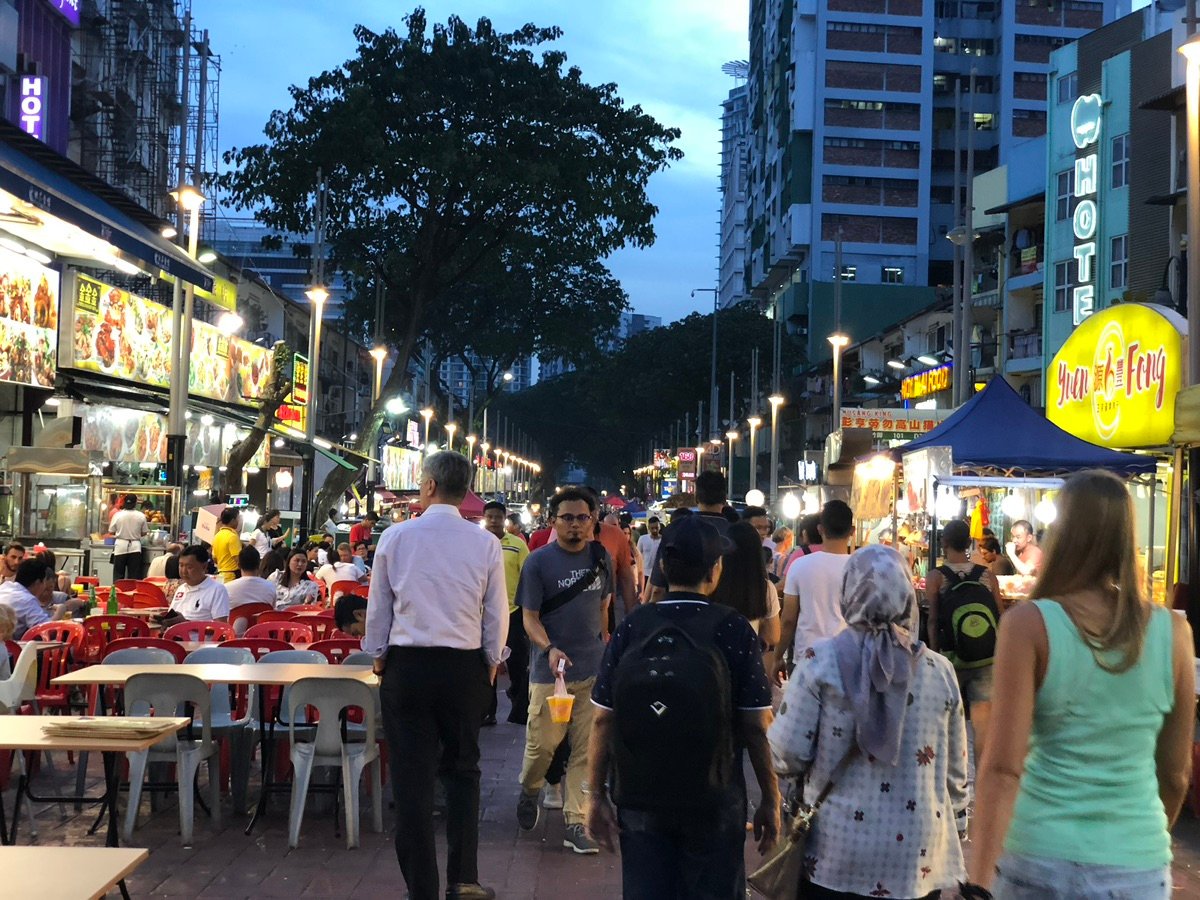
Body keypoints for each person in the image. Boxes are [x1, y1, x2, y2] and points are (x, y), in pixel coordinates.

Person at [967, 470, 1194, 899]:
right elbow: (1176, 773)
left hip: (1039, 856)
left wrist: (977, 885)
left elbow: (1002, 769)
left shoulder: (1028, 625)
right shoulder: (1173, 634)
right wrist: (1131, 843)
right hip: (1137, 865)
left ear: (1062, 534)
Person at [585, 515, 779, 898]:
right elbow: (757, 727)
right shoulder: (733, 627)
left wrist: (595, 795)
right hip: (715, 796)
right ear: (714, 570)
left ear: (663, 567)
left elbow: (602, 720)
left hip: (640, 796)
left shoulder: (634, 626)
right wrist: (771, 799)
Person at [770, 544, 969, 899]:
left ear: (849, 592)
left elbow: (786, 753)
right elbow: (956, 773)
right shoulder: (940, 672)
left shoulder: (820, 662)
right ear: (907, 595)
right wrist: (958, 824)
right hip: (917, 858)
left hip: (837, 851)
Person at [363, 451, 509, 900]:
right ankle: (463, 879)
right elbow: (496, 612)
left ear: (427, 486)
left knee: (411, 779)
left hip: (408, 667)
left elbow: (379, 607)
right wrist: (489, 664)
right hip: (464, 668)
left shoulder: (397, 535)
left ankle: (421, 888)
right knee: (463, 770)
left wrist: (379, 656)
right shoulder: (484, 542)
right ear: (466, 490)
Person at [514, 488, 614, 854]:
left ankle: (577, 822)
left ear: (593, 521)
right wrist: (549, 648)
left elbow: (604, 610)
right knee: (543, 748)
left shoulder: (601, 558)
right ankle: (529, 789)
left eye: (582, 517)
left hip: (592, 672)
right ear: (553, 521)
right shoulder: (538, 563)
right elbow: (529, 618)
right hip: (549, 675)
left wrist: (605, 650)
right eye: (567, 518)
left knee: (586, 751)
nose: (575, 524)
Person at [926, 518, 1002, 770]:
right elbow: (1000, 616)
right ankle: (982, 778)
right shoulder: (987, 576)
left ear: (944, 543)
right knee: (982, 723)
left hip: (952, 658)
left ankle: (950, 775)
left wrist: (934, 654)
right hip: (986, 657)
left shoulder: (936, 577)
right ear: (969, 542)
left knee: (947, 718)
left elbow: (934, 620)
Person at [776, 500, 854, 683]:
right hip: (848, 659)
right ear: (852, 531)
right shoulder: (860, 568)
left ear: (820, 529)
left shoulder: (800, 566)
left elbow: (788, 620)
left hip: (807, 658)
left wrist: (778, 656)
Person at [646, 469, 734, 602]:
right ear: (724, 498)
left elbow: (658, 588)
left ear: (696, 497)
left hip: (679, 615)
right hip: (729, 614)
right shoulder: (737, 533)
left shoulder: (677, 530)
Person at [482, 501, 531, 727]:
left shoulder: (517, 545)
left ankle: (520, 708)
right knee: (485, 662)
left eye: (498, 517)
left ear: (505, 520)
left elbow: (529, 575)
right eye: (490, 517)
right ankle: (487, 711)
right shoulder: (476, 542)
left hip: (512, 611)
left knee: (518, 663)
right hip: (480, 613)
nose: (494, 521)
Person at [711, 521, 781, 664]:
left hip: (716, 660)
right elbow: (773, 636)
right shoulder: (764, 587)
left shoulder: (713, 582)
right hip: (748, 661)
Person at [0, 560, 84, 637]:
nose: (44, 587)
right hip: (9, 649)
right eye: (44, 582)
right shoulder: (26, 599)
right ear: (37, 582)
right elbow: (46, 630)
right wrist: (60, 611)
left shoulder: (4, 587)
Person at [165, 546, 230, 623]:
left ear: (204, 567)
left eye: (189, 567)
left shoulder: (217, 590)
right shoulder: (181, 588)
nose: (184, 571)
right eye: (181, 565)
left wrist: (185, 623)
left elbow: (221, 628)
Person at [225, 546, 278, 610]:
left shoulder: (226, 589)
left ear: (238, 565)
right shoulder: (270, 587)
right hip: (262, 620)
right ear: (259, 564)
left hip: (235, 619)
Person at [110, 493, 148, 581]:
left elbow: (111, 531)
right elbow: (144, 532)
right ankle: (131, 594)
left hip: (120, 546)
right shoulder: (141, 516)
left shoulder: (117, 515)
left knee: (118, 575)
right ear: (135, 503)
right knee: (134, 576)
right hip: (135, 546)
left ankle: (118, 593)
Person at [211, 507, 243, 583]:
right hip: (232, 576)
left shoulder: (216, 536)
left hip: (221, 576)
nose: (238, 522)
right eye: (237, 519)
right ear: (232, 520)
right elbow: (238, 559)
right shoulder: (232, 536)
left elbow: (215, 559)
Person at [636, 516, 663, 593]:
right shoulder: (642, 539)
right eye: (652, 528)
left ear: (659, 527)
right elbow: (638, 555)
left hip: (658, 574)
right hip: (645, 573)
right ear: (648, 528)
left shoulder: (663, 540)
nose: (654, 530)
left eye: (656, 528)